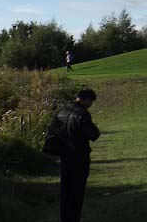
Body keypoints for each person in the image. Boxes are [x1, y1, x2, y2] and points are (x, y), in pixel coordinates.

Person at [45, 88, 100, 222]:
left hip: (64, 156)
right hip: (79, 156)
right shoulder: (82, 113)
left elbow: (53, 130)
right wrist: (94, 127)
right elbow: (93, 135)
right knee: (77, 191)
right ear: (86, 99)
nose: (90, 105)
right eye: (90, 102)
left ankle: (64, 217)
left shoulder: (62, 110)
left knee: (66, 189)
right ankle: (74, 218)